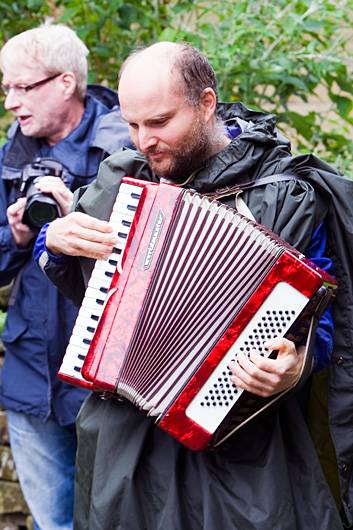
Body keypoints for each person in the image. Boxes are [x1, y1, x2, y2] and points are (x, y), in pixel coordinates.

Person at [35, 42, 353, 529]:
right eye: (133, 124)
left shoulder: (285, 194)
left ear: (207, 103)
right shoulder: (122, 181)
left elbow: (325, 316)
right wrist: (52, 239)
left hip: (248, 454)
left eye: (160, 122)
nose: (144, 141)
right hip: (127, 450)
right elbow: (73, 265)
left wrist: (295, 365)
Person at [0, 24, 130, 530]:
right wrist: (15, 236)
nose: (11, 100)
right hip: (33, 377)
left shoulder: (126, 146)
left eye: (21, 86)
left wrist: (75, 211)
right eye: (5, 87)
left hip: (108, 377)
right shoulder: (13, 154)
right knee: (54, 523)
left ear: (65, 82)